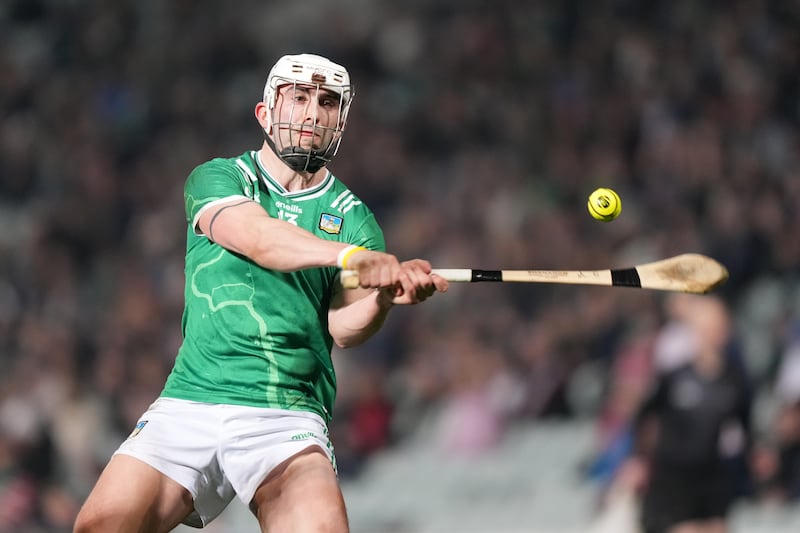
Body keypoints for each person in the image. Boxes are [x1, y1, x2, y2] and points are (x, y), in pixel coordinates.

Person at [73, 53, 448, 533]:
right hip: (191, 398)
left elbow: (343, 328)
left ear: (340, 121)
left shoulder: (355, 218)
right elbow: (258, 238)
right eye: (300, 97)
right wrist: (349, 257)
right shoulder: (219, 178)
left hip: (285, 413)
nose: (313, 113)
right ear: (265, 113)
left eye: (327, 102)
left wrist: (385, 297)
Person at [625, 295, 752, 533]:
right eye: (705, 328)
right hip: (672, 479)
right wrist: (637, 458)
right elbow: (643, 416)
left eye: (717, 327)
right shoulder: (674, 377)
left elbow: (746, 429)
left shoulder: (735, 382)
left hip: (711, 476)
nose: (711, 334)